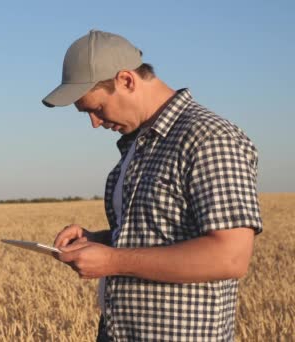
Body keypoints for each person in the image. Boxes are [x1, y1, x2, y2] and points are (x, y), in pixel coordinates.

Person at [43, 30, 262, 341]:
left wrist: (112, 260)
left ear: (127, 81)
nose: (94, 122)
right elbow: (158, 234)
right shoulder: (141, 143)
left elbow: (230, 256)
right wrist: (100, 240)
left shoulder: (208, 138)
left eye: (97, 108)